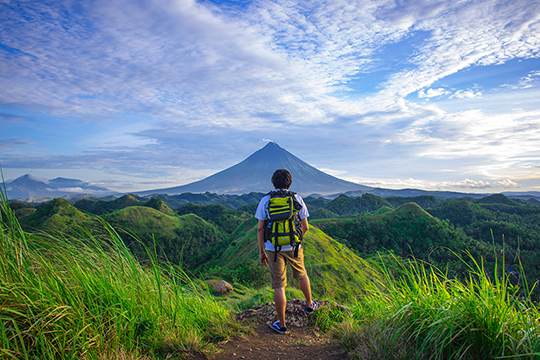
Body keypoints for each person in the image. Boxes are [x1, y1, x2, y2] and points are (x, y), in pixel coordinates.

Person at [255, 168, 317, 335]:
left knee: (279, 285)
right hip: (294, 246)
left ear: (273, 182)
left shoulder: (265, 200)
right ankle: (310, 304)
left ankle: (281, 325)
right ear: (290, 182)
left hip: (272, 248)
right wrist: (295, 239)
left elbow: (260, 229)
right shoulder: (296, 198)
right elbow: (305, 227)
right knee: (302, 274)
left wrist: (261, 252)